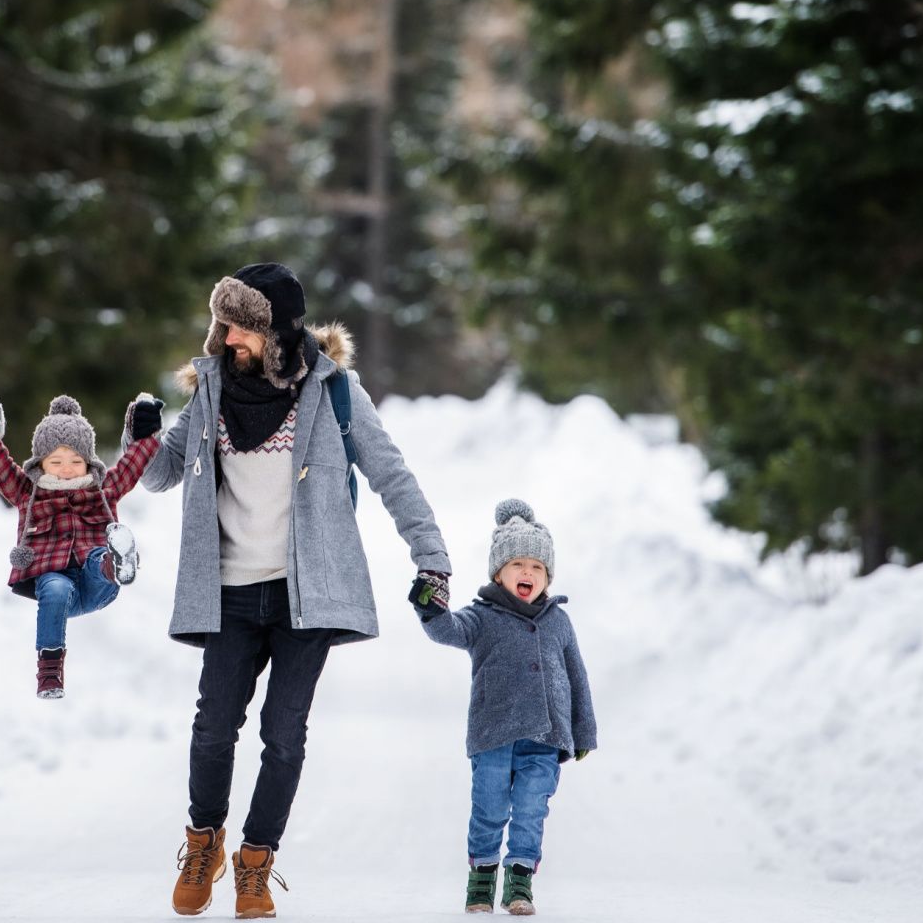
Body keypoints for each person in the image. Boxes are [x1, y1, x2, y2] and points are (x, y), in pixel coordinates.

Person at [141, 262, 454, 918]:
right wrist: (139, 436)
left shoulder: (335, 392)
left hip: (304, 595)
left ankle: (256, 864)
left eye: (241, 329)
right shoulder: (209, 390)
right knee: (212, 728)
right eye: (223, 326)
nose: (227, 341)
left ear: (277, 331)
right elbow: (160, 474)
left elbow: (393, 477)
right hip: (226, 590)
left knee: (284, 735)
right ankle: (204, 842)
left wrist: (432, 557)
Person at [414, 499, 598, 916]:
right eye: (517, 565)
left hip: (546, 737)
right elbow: (448, 630)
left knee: (532, 809)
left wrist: (583, 731)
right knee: (489, 809)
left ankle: (519, 884)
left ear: (548, 576)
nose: (527, 573)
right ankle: (480, 880)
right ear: (498, 573)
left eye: (537, 567)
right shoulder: (482, 617)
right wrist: (429, 607)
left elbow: (577, 677)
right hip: (493, 734)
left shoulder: (558, 621)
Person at [0, 389, 166, 697]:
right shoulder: (28, 492)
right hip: (55, 590)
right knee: (55, 586)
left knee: (97, 558)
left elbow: (132, 465)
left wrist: (147, 431)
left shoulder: (101, 491)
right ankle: (50, 673)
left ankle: (115, 564)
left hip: (97, 586)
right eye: (57, 461)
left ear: (88, 462)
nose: (67, 470)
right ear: (41, 464)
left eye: (76, 461)